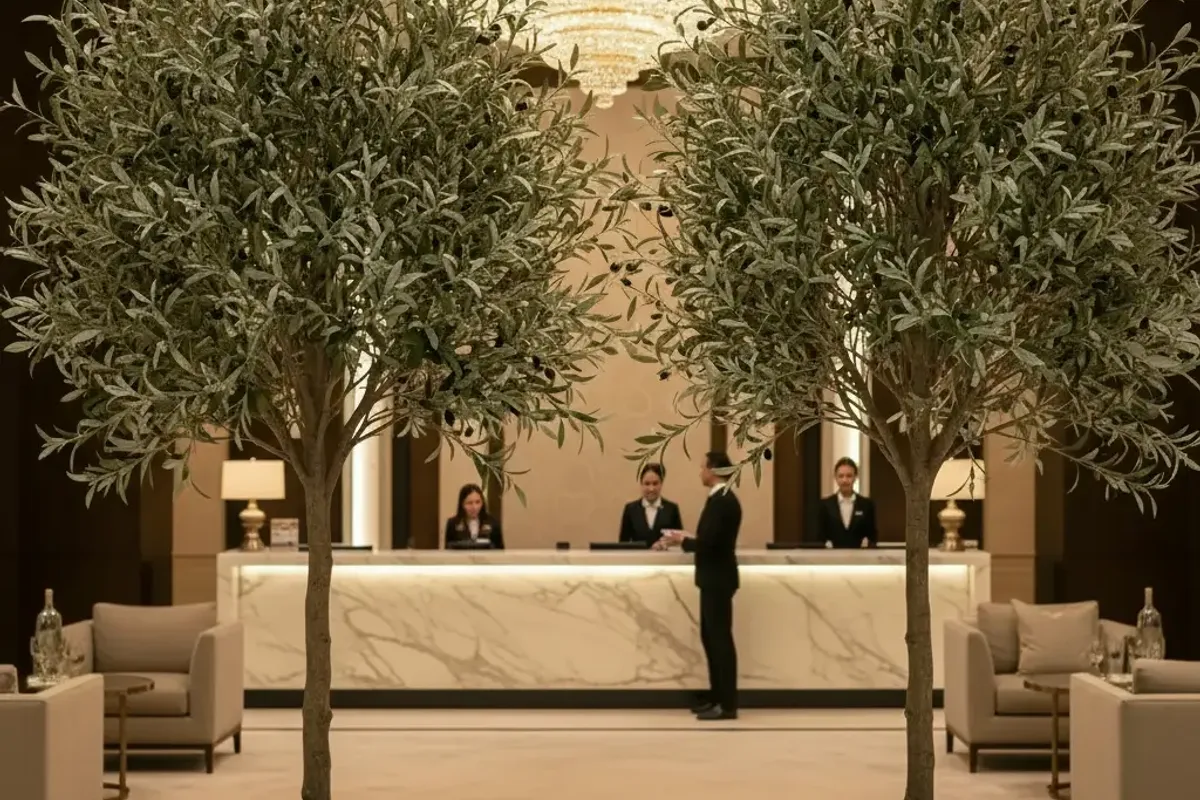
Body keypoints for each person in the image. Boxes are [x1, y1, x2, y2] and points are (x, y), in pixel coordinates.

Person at [658, 451, 741, 721]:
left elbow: (711, 544)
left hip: (717, 579)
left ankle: (726, 704)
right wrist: (686, 537)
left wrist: (682, 541)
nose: (700, 472)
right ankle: (717, 696)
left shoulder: (723, 500)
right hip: (713, 579)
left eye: (702, 466)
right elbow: (709, 538)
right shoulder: (720, 499)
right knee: (711, 640)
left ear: (713, 469)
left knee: (720, 642)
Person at [815, 457, 877, 548]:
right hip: (831, 558)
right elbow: (819, 537)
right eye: (841, 476)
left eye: (849, 476)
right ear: (835, 477)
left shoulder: (866, 505)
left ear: (855, 477)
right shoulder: (825, 505)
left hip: (860, 558)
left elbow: (873, 536)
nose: (845, 480)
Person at [618, 463, 684, 547]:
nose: (651, 488)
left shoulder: (671, 509)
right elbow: (623, 543)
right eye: (647, 483)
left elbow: (679, 542)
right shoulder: (631, 509)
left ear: (661, 484)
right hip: (638, 559)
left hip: (665, 559)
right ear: (641, 484)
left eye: (655, 483)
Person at [444, 484, 505, 549]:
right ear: (462, 504)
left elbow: (500, 550)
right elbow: (448, 550)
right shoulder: (453, 524)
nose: (474, 507)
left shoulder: (493, 523)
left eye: (478, 502)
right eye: (469, 503)